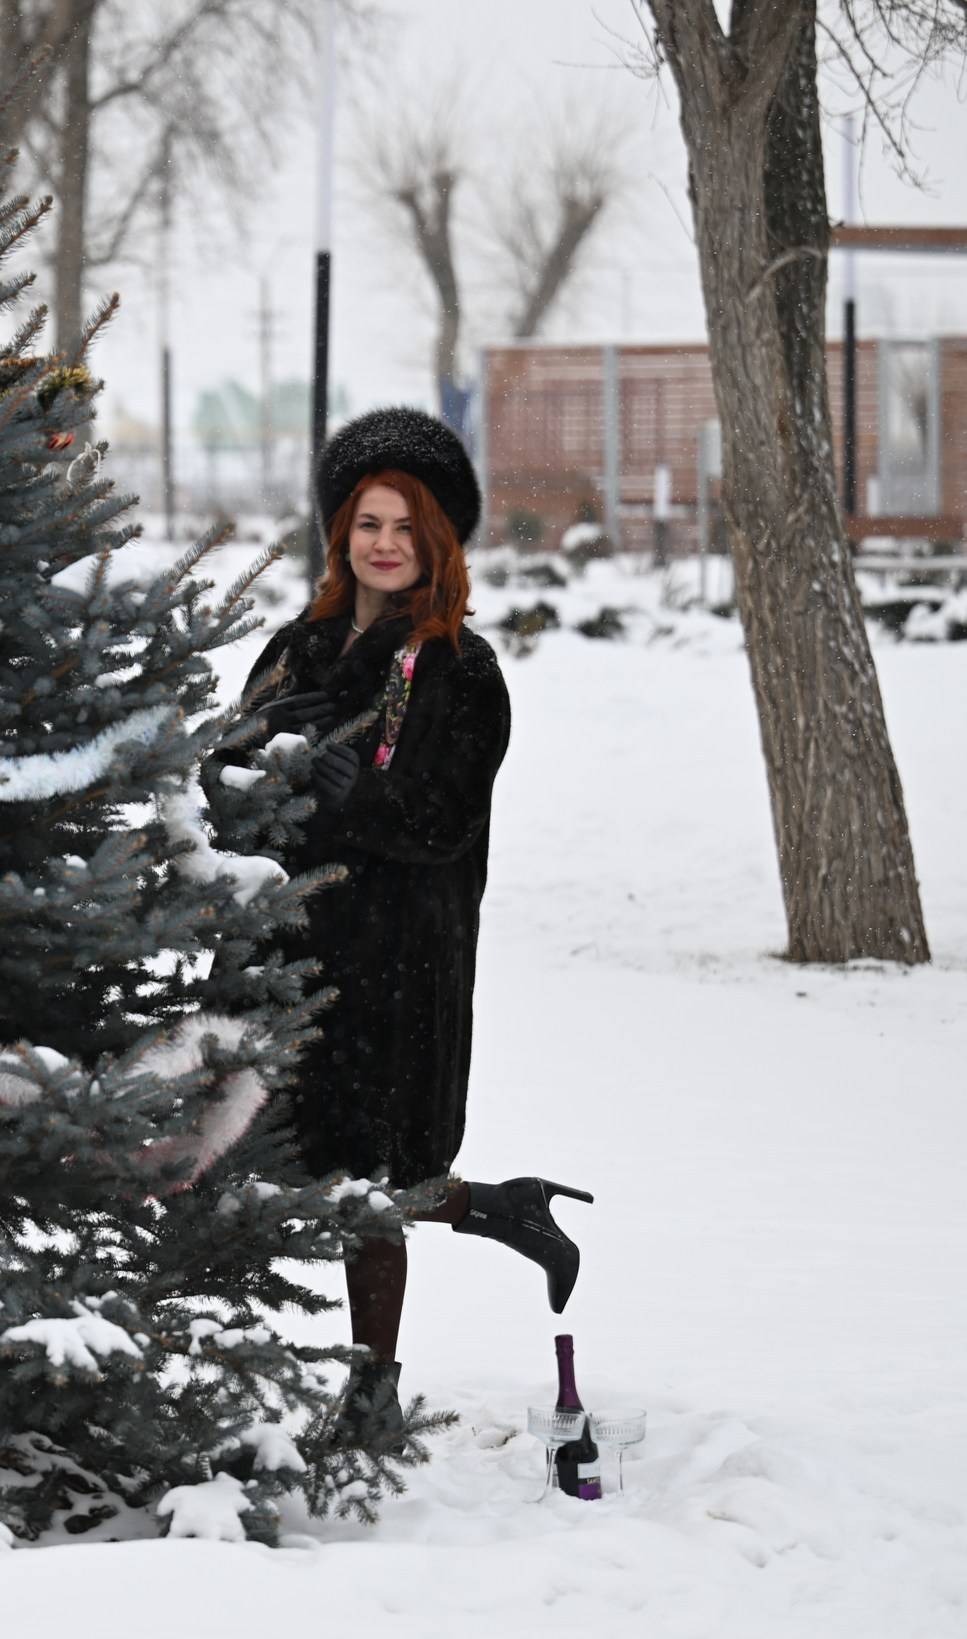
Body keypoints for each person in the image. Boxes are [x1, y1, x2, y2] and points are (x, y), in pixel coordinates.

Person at [242, 408, 592, 1431]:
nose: (383, 542)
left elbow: (441, 821)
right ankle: (496, 1207)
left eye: (405, 525)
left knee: (372, 1177)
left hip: (402, 953)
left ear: (437, 542)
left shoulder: (462, 671)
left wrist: (343, 789)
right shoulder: (293, 650)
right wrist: (257, 759)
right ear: (340, 534)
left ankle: (371, 1390)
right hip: (295, 943)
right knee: (303, 1162)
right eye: (366, 523)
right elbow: (220, 780)